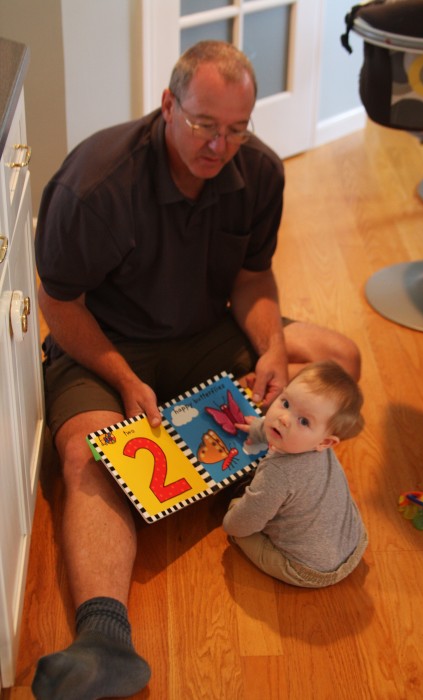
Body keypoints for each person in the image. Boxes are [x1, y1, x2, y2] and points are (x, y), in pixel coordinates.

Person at [32, 40, 361, 700]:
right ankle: (103, 636)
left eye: (236, 129)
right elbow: (57, 306)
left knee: (340, 359)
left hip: (206, 331)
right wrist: (124, 381)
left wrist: (268, 346)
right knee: (87, 455)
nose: (220, 146)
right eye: (203, 125)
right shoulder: (93, 184)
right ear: (166, 105)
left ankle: (277, 485)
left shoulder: (260, 172)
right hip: (106, 342)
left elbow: (251, 278)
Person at [223, 360, 368, 588]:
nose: (284, 418)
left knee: (237, 520)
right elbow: (278, 426)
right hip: (355, 541)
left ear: (325, 441)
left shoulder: (278, 473)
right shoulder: (317, 447)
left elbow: (241, 525)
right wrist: (260, 428)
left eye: (303, 421)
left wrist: (232, 519)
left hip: (310, 570)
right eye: (286, 402)